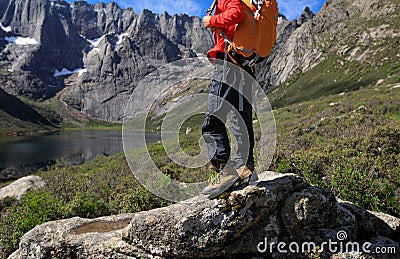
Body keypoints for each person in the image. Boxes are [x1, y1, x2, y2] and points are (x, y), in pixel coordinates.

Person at [201, 0, 257, 198]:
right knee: (239, 119)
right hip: (245, 66)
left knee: (212, 121)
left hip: (229, 64)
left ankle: (224, 170)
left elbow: (236, 14)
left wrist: (212, 20)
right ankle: (246, 166)